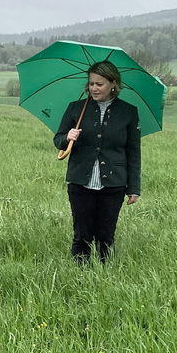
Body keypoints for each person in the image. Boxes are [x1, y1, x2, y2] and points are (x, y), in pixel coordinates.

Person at [54, 60, 141, 264]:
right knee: (81, 235)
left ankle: (104, 278)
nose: (94, 88)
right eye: (91, 83)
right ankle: (81, 276)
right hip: (80, 183)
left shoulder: (129, 112)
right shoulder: (76, 109)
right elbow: (57, 139)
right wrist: (68, 136)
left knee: (105, 236)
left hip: (114, 185)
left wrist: (134, 188)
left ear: (113, 84)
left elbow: (134, 152)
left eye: (99, 84)